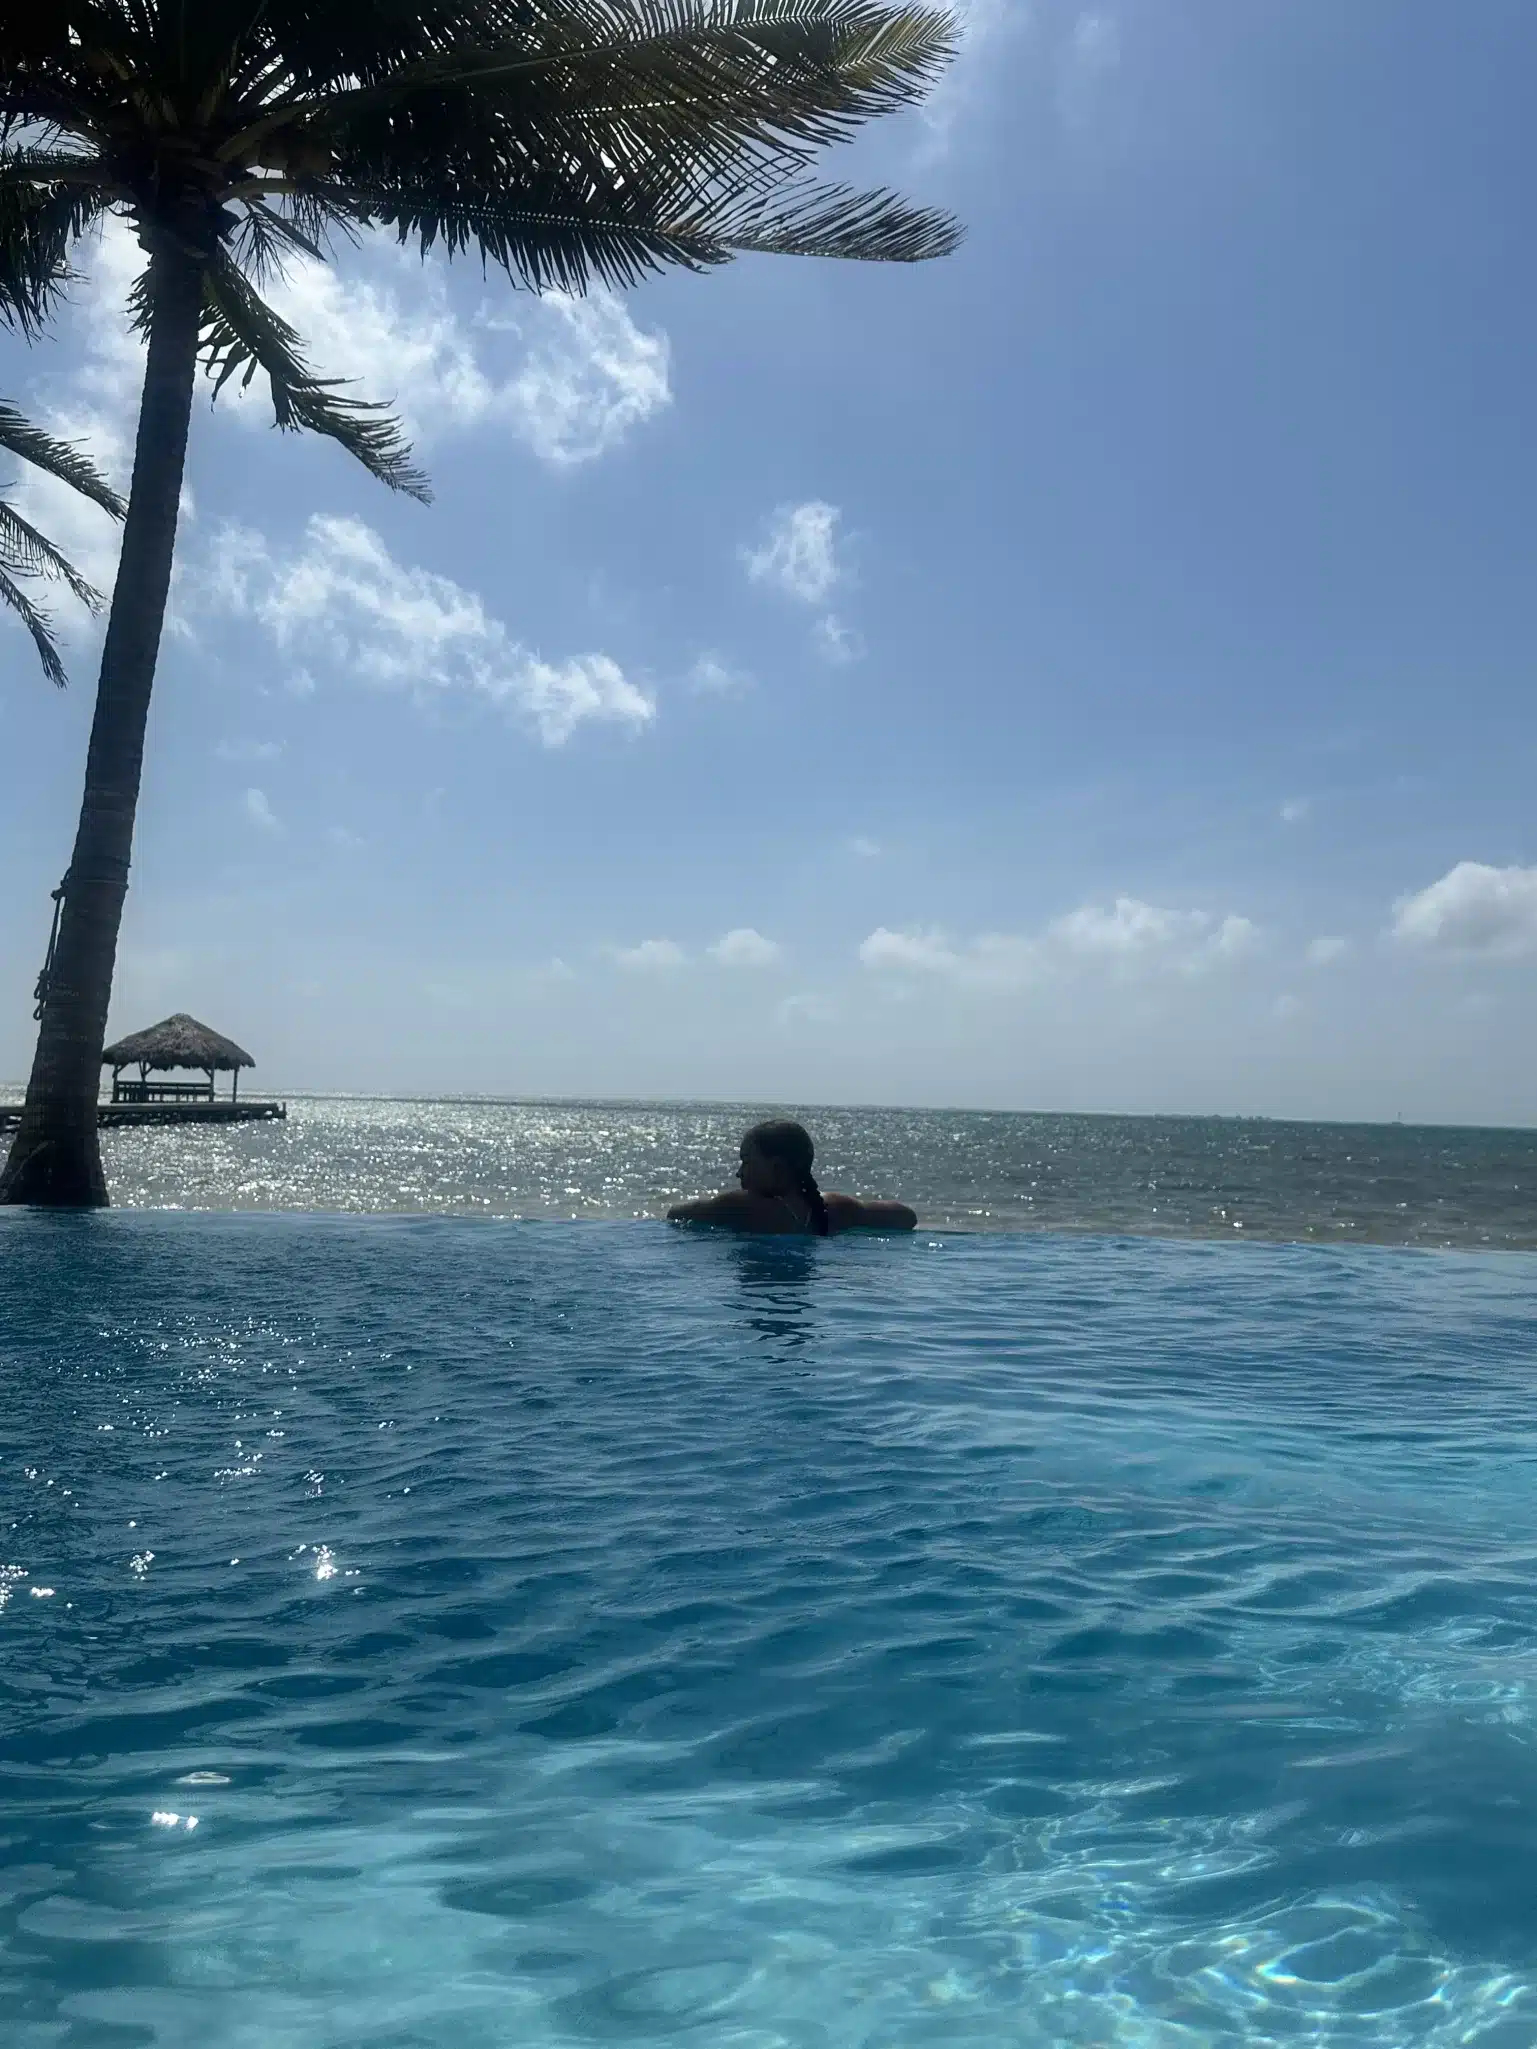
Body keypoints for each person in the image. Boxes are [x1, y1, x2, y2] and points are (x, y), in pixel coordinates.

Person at [667, 1118, 917, 1236]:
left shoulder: (740, 1206)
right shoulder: (836, 1208)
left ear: (776, 1168)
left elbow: (674, 1214)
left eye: (746, 1161)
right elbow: (907, 1217)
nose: (739, 1172)